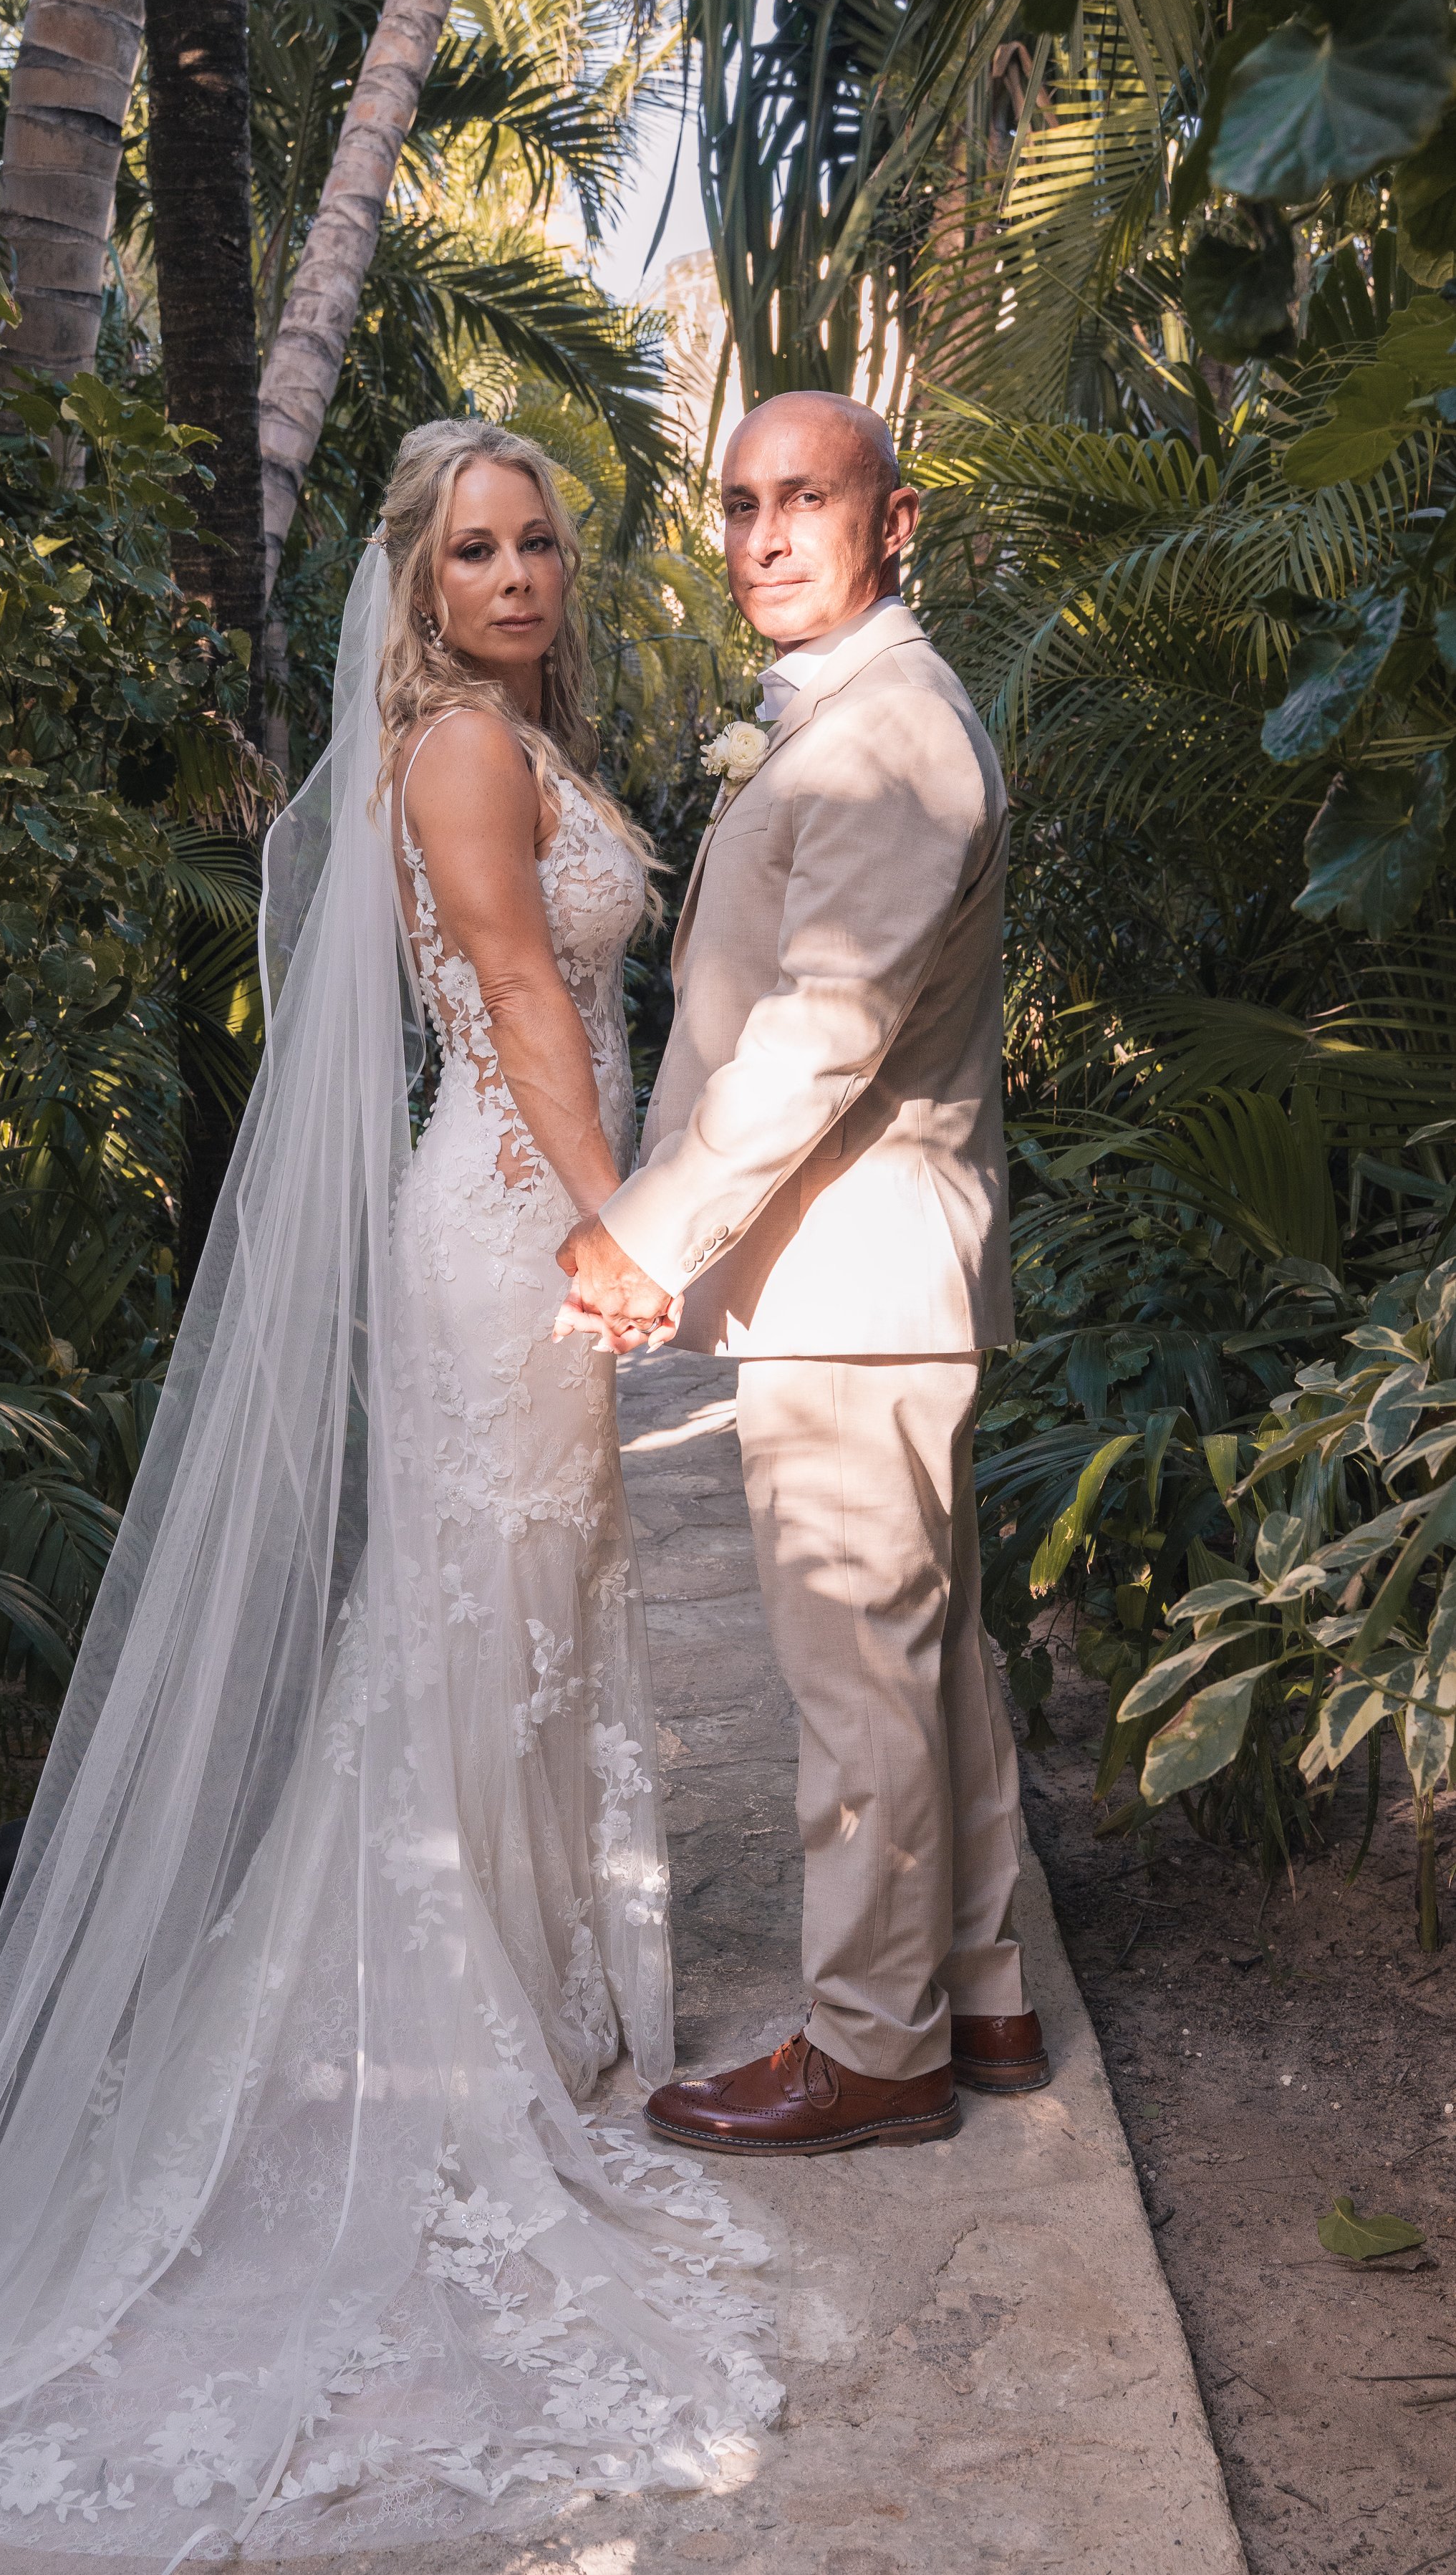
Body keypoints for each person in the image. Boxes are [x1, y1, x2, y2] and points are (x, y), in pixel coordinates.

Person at [0, 422, 777, 2575]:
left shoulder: (518, 739)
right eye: (477, 547)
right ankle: (438, 2045)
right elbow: (532, 999)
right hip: (511, 1225)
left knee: (523, 1620)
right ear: (420, 584)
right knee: (475, 1621)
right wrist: (620, 1222)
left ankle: (530, 2008)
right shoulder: (459, 755)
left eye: (542, 537)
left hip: (538, 1219)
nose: (522, 572)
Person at [561, 390, 1048, 2156]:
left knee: (856, 1687)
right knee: (924, 1668)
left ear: (892, 520)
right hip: (873, 1283)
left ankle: (871, 2049)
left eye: (805, 500)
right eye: (740, 502)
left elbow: (819, 1035)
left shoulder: (892, 734)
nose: (763, 534)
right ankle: (978, 2000)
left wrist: (645, 1228)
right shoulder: (852, 715)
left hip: (857, 1281)